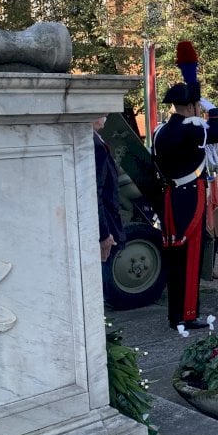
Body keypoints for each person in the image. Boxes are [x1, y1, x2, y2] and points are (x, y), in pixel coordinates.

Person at [153, 82, 218, 330]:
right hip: (190, 194)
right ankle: (187, 314)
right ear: (192, 106)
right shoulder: (192, 129)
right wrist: (213, 109)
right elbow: (217, 132)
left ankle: (176, 315)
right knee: (191, 254)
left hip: (170, 195)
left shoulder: (160, 131)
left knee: (175, 257)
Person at [92, 115, 124, 304]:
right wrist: (104, 233)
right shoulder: (96, 145)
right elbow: (97, 192)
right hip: (103, 227)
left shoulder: (96, 140)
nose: (105, 116)